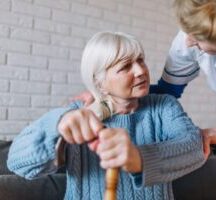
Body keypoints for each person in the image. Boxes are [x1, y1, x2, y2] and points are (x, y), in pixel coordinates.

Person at [73, 0, 216, 199]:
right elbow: (166, 91)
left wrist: (206, 135)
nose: (187, 40)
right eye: (125, 66)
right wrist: (106, 99)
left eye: (196, 36)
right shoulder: (188, 38)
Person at [7, 31, 205, 200]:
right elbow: (18, 164)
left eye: (140, 60)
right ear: (99, 82)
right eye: (125, 66)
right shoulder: (77, 114)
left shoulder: (162, 106)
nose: (140, 71)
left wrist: (138, 158)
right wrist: (56, 125)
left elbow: (195, 146)